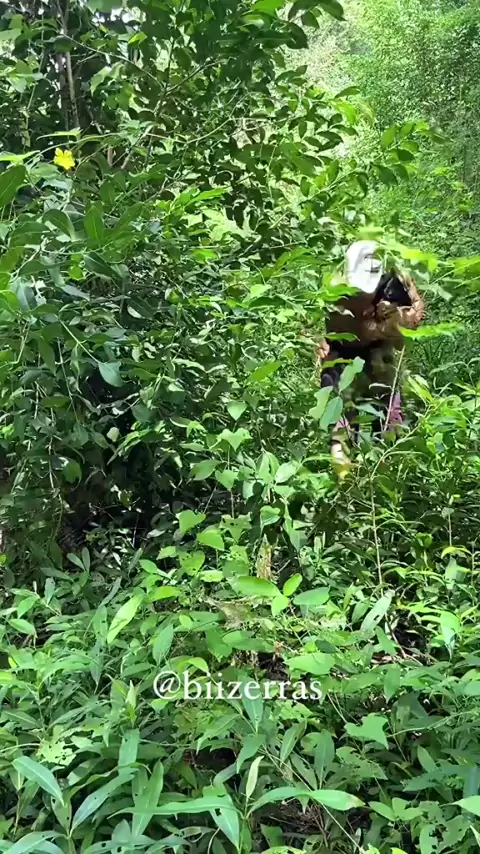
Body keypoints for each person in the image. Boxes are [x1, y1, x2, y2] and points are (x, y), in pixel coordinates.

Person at [316, 241, 424, 458]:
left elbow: (417, 309)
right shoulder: (335, 288)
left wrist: (400, 316)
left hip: (379, 351)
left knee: (390, 418)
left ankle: (388, 462)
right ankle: (343, 467)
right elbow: (312, 321)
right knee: (339, 419)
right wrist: (318, 341)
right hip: (341, 350)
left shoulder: (397, 279)